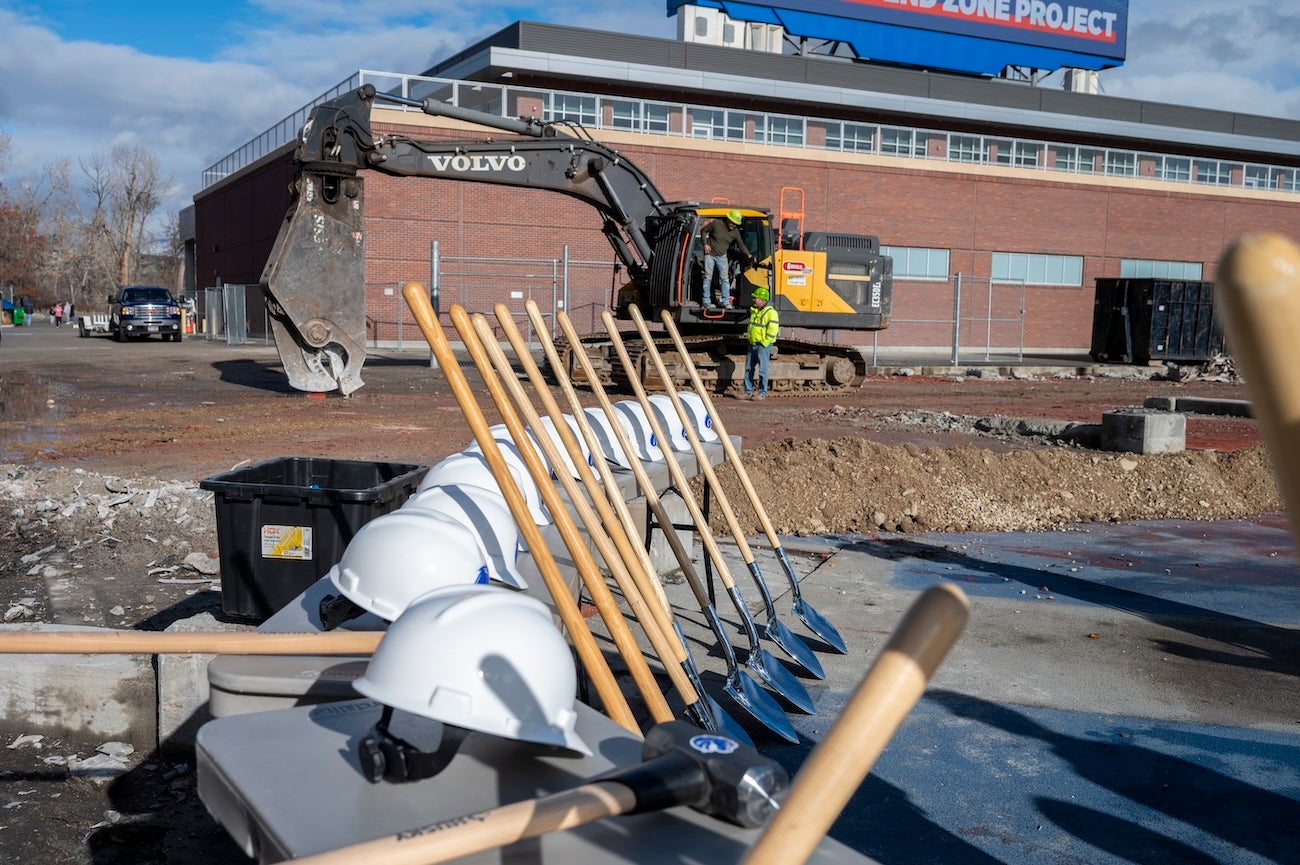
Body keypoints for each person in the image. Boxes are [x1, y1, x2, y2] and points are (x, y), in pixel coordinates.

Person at [700, 209, 750, 309]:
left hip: (722, 256)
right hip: (710, 255)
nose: (734, 225)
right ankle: (706, 301)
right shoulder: (716, 224)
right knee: (708, 277)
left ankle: (726, 301)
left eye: (736, 224)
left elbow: (741, 244)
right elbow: (703, 230)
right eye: (733, 223)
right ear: (728, 220)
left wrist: (748, 254)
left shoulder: (735, 232)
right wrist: (705, 244)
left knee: (725, 279)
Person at [744, 286, 779, 399]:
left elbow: (773, 330)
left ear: (763, 300)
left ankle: (762, 393)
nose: (754, 300)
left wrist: (764, 342)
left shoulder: (771, 313)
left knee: (763, 370)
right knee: (749, 368)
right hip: (753, 343)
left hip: (762, 345)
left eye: (756, 298)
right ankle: (748, 391)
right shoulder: (755, 311)